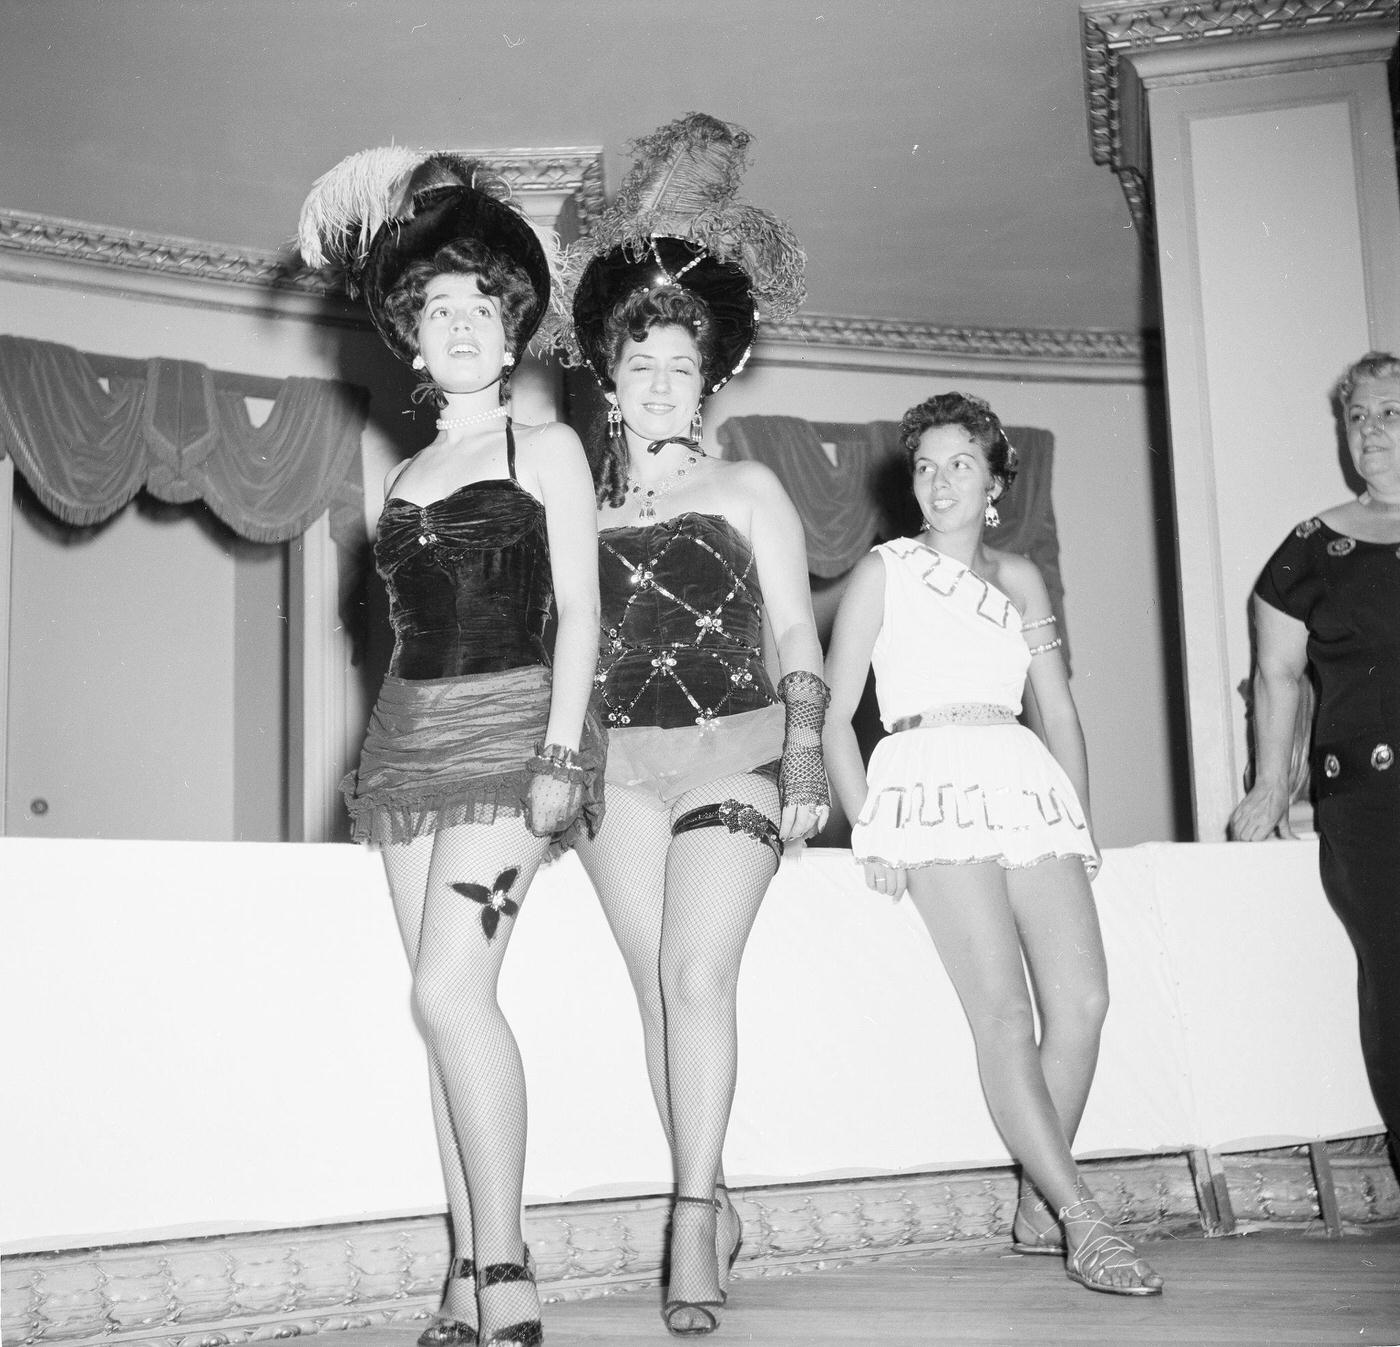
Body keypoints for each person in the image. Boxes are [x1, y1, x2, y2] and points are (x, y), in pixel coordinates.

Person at [299, 149, 603, 1347]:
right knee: (439, 1015)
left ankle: (508, 1263)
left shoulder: (547, 449)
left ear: (512, 324)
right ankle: (459, 1274)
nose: (462, 323)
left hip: (513, 727)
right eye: (438, 306)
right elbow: (397, 640)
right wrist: (374, 754)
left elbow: (577, 610)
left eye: (482, 303)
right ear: (411, 337)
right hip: (409, 748)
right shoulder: (406, 474)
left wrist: (563, 754)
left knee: (446, 988)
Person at [561, 114, 829, 1336]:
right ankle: (709, 1198)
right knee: (652, 992)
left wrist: (810, 748)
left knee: (694, 969)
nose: (659, 381)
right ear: (607, 379)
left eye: (679, 363)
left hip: (736, 749)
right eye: (639, 364)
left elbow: (794, 635)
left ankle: (687, 1216)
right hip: (617, 771)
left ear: (706, 376)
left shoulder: (747, 488)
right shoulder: (580, 504)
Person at [822, 392, 1163, 1297]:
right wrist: (869, 824)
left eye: (960, 464)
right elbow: (829, 710)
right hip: (926, 783)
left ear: (995, 482)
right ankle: (1082, 1218)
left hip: (1023, 783)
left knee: (1084, 1000)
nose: (940, 482)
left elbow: (1059, 710)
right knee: (1005, 1018)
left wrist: (1079, 825)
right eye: (925, 466)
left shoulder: (1020, 581)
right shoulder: (883, 573)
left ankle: (1034, 1197)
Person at [1230, 351, 1400, 1160]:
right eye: (1357, 416)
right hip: (1369, 807)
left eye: (1390, 411)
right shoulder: (1310, 547)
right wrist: (1270, 784)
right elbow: (1277, 672)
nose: (1370, 430)